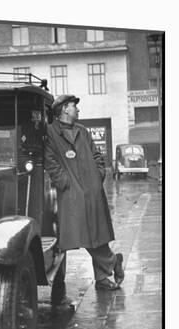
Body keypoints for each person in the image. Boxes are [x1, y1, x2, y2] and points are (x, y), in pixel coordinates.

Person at [44, 94, 125, 300]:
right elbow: (50, 162)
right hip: (71, 193)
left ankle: (103, 278)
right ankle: (111, 262)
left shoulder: (83, 131)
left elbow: (98, 157)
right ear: (63, 109)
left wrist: (97, 177)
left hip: (91, 192)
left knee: (95, 233)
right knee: (79, 234)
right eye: (73, 106)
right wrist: (65, 183)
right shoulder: (51, 133)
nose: (77, 110)